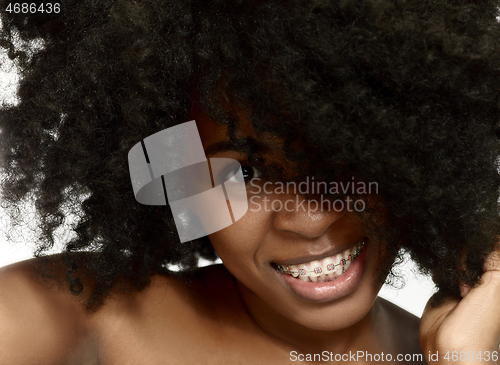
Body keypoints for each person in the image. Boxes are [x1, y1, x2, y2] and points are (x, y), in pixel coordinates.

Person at [0, 0, 499, 363]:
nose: (311, 217)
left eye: (339, 157)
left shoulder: (456, 352)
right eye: (246, 172)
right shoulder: (81, 317)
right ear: (181, 181)